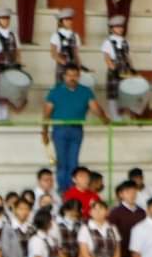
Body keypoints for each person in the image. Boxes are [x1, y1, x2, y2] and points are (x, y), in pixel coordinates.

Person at [42, 65, 109, 195]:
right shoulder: (55, 91)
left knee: (73, 162)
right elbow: (47, 112)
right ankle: (63, 191)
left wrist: (104, 119)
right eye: (69, 75)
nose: (72, 78)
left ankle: (73, 190)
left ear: (79, 76)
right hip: (59, 128)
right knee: (62, 162)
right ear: (64, 76)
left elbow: (95, 107)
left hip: (77, 129)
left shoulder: (85, 91)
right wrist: (44, 131)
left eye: (75, 75)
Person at [101, 15, 135, 120]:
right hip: (114, 71)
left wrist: (132, 69)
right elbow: (107, 58)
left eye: (121, 27)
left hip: (125, 70)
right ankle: (114, 116)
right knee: (113, 94)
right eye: (117, 27)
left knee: (126, 93)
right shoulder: (108, 42)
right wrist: (113, 69)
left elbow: (128, 57)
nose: (120, 29)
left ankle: (125, 116)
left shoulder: (125, 42)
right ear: (111, 29)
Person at [49, 8, 84, 84]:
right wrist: (64, 62)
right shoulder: (55, 36)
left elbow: (76, 54)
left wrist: (79, 66)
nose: (69, 22)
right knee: (61, 89)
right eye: (66, 20)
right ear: (61, 22)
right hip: (62, 67)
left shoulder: (75, 36)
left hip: (74, 67)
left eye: (70, 20)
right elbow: (53, 54)